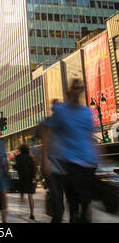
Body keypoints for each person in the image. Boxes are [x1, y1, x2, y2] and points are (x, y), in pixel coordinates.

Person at [41, 78, 98, 223]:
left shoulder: (87, 112)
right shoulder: (60, 112)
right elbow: (46, 133)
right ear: (70, 91)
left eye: (81, 88)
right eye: (75, 88)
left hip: (84, 164)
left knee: (84, 205)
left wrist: (98, 157)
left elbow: (90, 137)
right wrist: (45, 159)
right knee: (67, 206)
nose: (78, 91)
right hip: (65, 165)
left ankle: (81, 216)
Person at [15, 144, 37, 220]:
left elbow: (17, 167)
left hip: (22, 178)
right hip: (29, 179)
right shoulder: (31, 158)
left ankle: (21, 210)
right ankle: (32, 214)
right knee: (30, 196)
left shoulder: (18, 157)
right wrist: (33, 177)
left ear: (21, 150)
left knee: (21, 194)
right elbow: (34, 168)